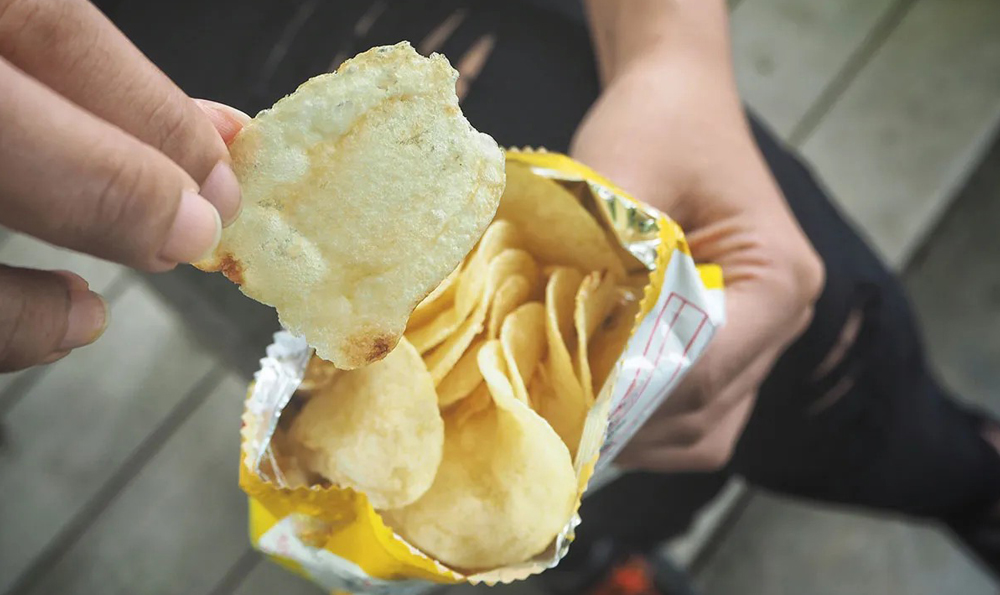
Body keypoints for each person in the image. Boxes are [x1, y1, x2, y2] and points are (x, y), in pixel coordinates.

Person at [0, 1, 997, 592]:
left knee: (818, 360)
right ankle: (602, 559)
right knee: (490, 526)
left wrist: (668, 51)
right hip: (196, 214)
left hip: (528, 56)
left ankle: (970, 477)